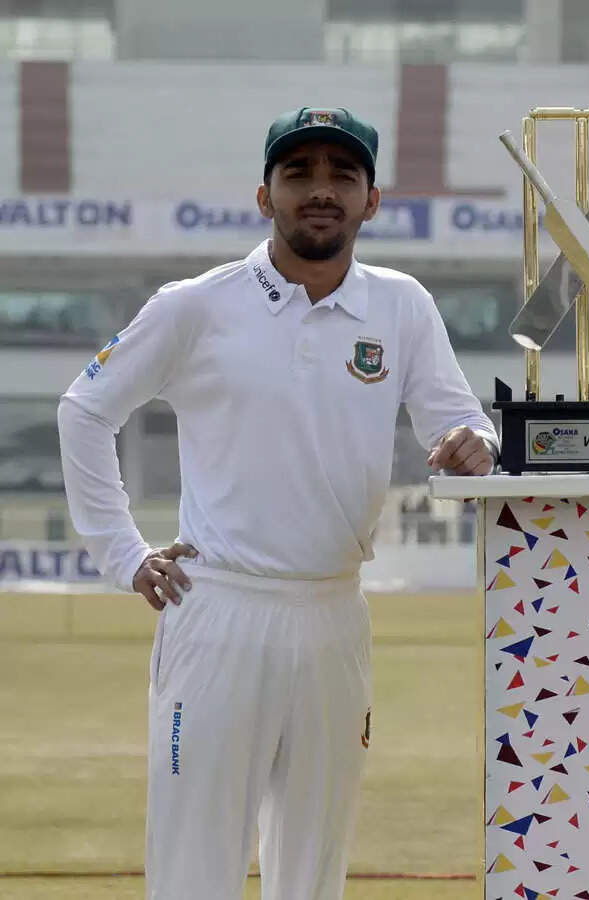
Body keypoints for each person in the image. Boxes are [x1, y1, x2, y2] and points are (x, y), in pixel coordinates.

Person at [57, 107, 497, 900]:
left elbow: (460, 422)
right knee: (195, 871)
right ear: (265, 196)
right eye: (299, 174)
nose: (321, 190)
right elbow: (84, 410)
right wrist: (123, 555)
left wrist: (477, 444)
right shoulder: (196, 305)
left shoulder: (401, 306)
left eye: (342, 175)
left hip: (334, 615)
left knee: (313, 873)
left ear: (372, 199)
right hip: (219, 609)